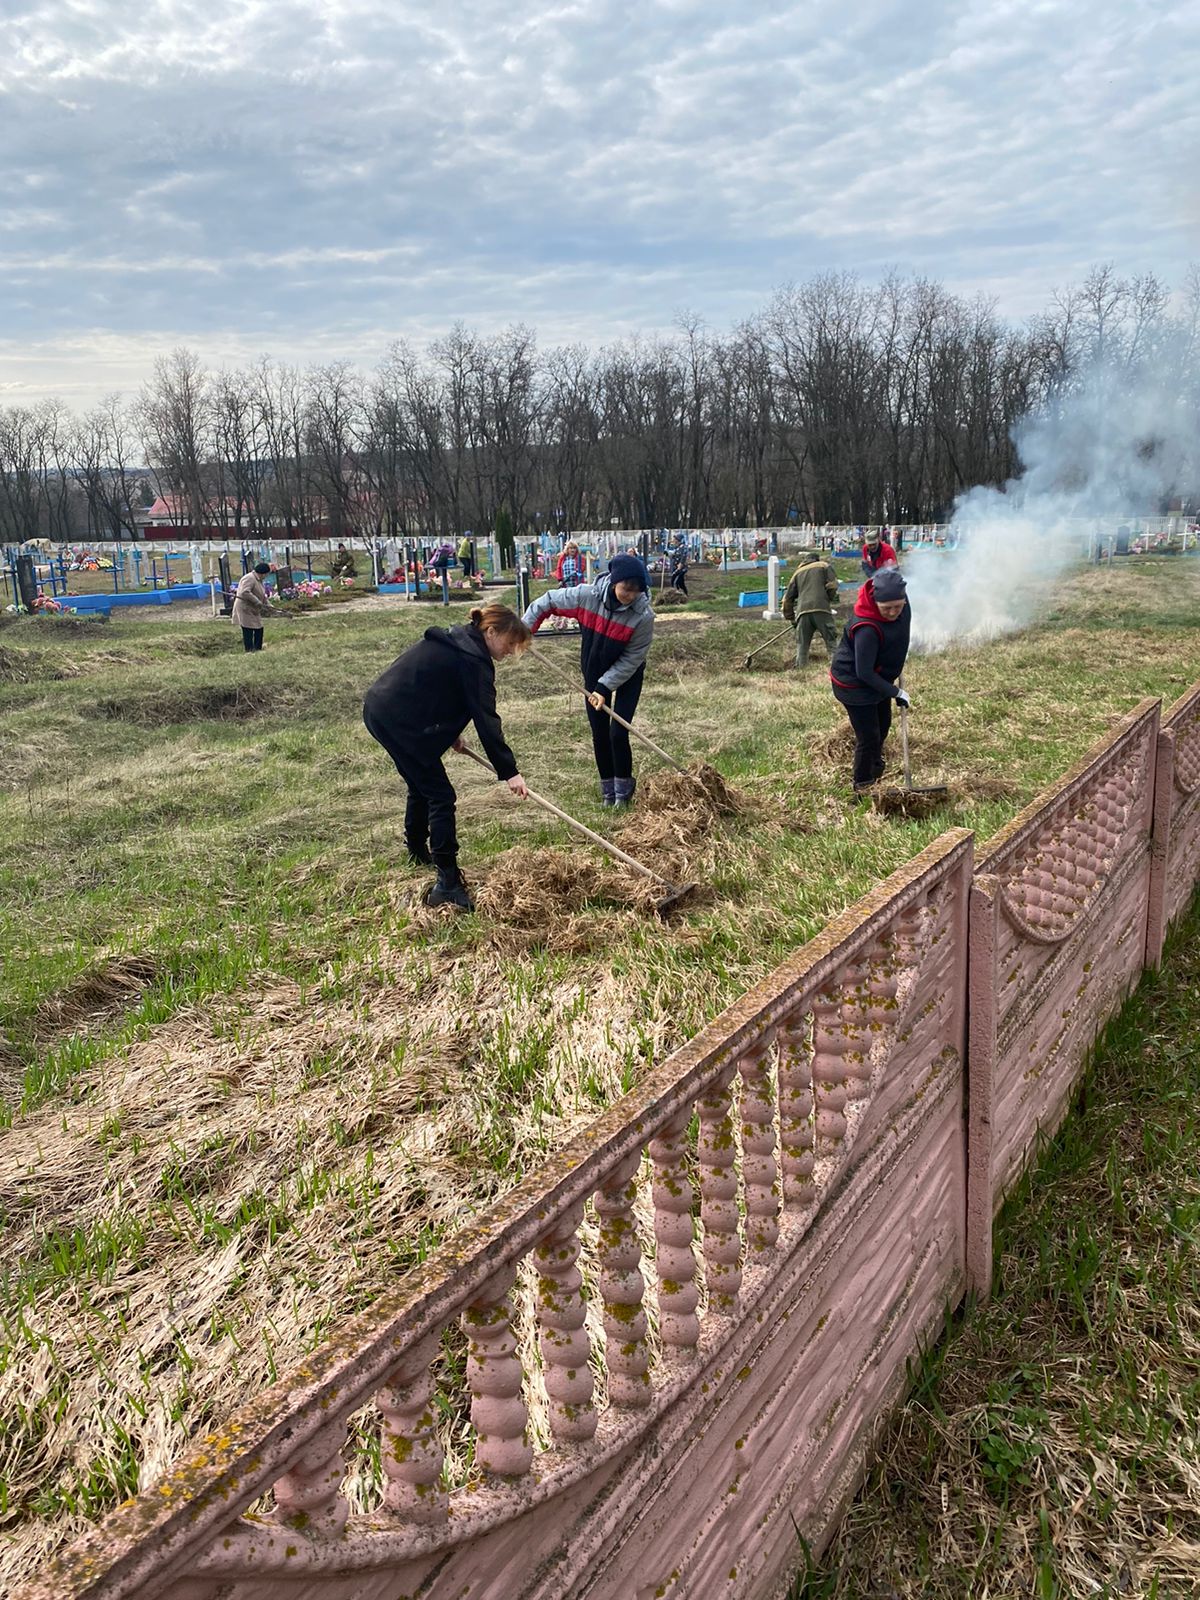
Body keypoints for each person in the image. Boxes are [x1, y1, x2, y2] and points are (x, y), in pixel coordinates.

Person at [362, 603, 531, 911]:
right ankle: (447, 883)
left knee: (422, 785)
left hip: (381, 709)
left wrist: (448, 731)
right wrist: (510, 772)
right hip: (399, 720)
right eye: (508, 644)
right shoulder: (473, 659)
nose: (509, 652)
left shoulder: (458, 641)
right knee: (440, 795)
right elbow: (486, 719)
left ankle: (416, 848)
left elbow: (434, 689)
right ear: (490, 631)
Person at [522, 553, 654, 808]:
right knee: (599, 733)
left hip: (628, 676)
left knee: (618, 732)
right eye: (627, 588)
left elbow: (633, 657)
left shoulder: (643, 616)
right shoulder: (587, 596)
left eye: (637, 590)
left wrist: (606, 687)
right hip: (593, 673)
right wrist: (525, 629)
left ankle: (623, 792)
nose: (630, 594)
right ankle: (607, 791)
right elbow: (547, 602)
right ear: (615, 581)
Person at [829, 566, 911, 795]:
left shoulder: (902, 604)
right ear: (875, 601)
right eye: (887, 608)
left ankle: (876, 766)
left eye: (898, 606)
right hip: (853, 683)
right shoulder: (866, 626)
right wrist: (895, 692)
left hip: (879, 677)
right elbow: (864, 672)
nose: (894, 612)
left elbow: (901, 626)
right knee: (868, 736)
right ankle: (862, 785)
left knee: (883, 726)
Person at [782, 548, 840, 667]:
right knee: (831, 642)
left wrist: (791, 618)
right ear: (816, 559)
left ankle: (801, 671)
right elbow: (833, 585)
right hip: (821, 609)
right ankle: (837, 668)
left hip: (802, 612)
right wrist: (827, 599)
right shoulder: (824, 566)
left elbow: (787, 599)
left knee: (802, 645)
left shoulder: (797, 572)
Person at [232, 561, 276, 652]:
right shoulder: (249, 578)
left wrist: (269, 606)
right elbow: (245, 592)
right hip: (245, 608)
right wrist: (257, 602)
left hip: (253, 608)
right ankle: (249, 650)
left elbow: (262, 595)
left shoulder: (259, 580)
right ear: (263, 573)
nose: (267, 576)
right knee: (248, 629)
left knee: (259, 628)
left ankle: (257, 649)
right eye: (267, 574)